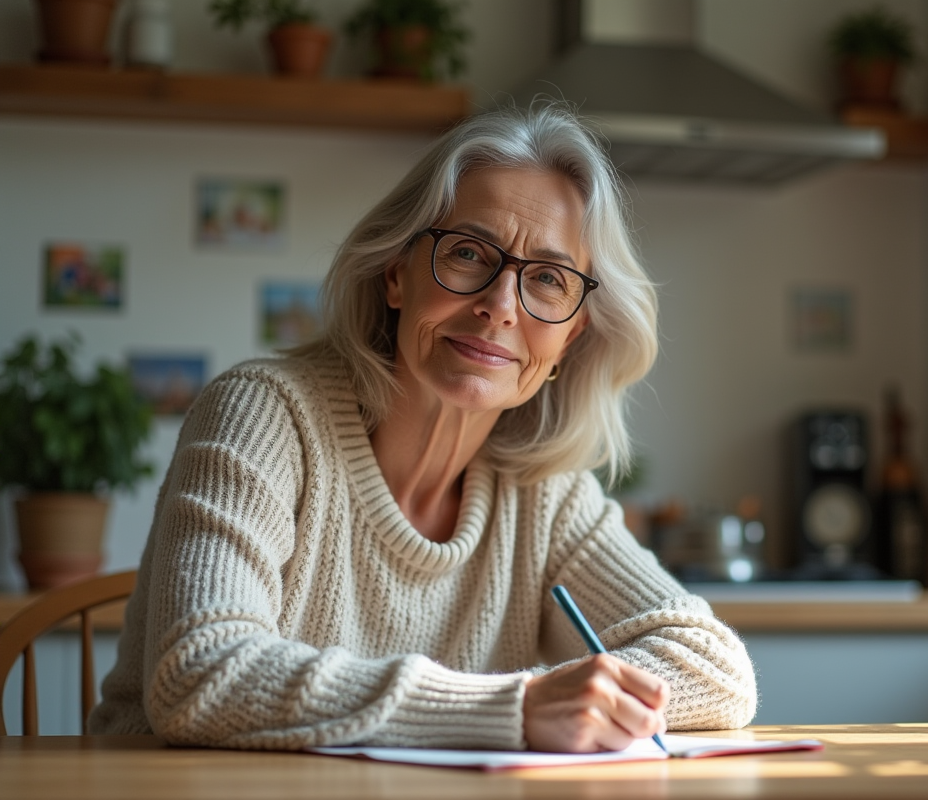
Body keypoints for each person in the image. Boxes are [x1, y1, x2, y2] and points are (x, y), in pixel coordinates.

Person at [89, 102, 757, 753]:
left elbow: (716, 670)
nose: (500, 306)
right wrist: (515, 708)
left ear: (572, 335)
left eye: (548, 280)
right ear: (397, 273)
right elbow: (199, 675)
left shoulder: (544, 494)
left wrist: (578, 700)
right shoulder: (263, 414)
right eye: (469, 253)